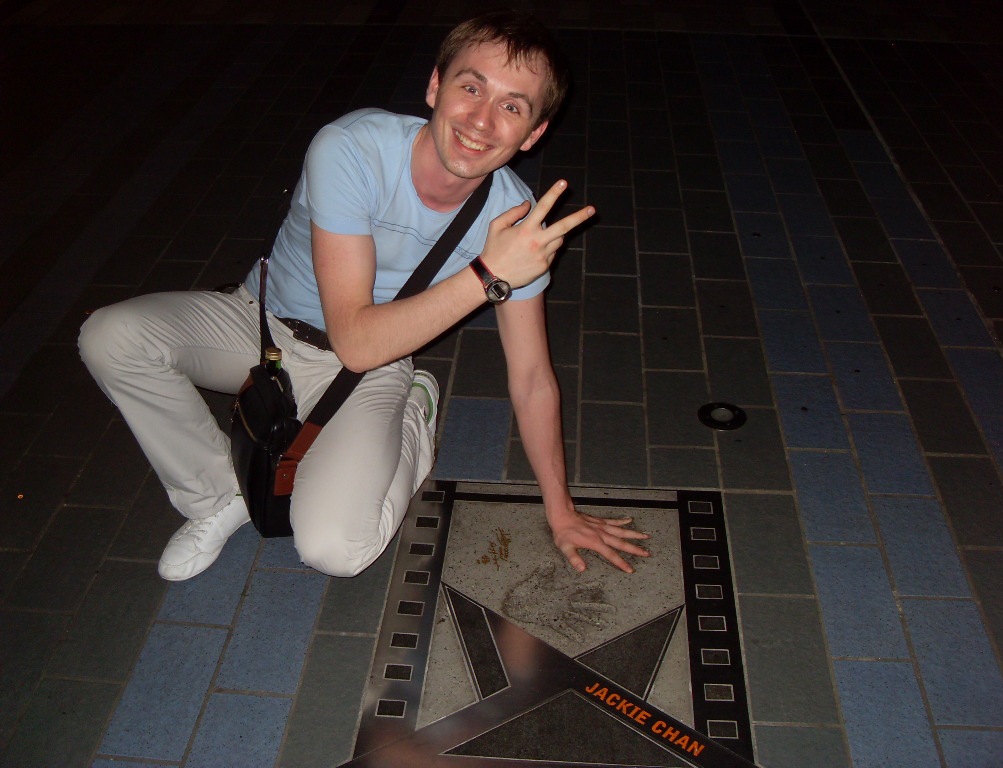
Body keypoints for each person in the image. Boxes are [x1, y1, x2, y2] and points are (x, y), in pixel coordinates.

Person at [79, 10, 651, 582]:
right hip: (261, 325)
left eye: (512, 107)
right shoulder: (351, 148)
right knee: (112, 337)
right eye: (472, 88)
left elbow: (531, 377)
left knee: (335, 549)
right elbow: (353, 332)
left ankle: (414, 414)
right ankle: (217, 494)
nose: (481, 120)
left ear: (533, 134)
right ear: (435, 86)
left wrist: (560, 511)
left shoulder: (516, 223)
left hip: (373, 366)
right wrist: (487, 272)